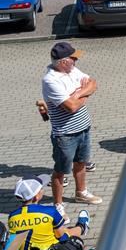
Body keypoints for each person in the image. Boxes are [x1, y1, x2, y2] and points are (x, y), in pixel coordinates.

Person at [41, 42, 102, 216]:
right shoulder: (50, 80)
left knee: (81, 163)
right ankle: (58, 205)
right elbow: (71, 107)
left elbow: (93, 83)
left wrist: (78, 93)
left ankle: (81, 193)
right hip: (65, 134)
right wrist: (84, 92)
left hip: (83, 127)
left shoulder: (72, 70)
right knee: (61, 170)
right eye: (73, 58)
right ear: (62, 62)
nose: (76, 61)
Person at [2, 175, 90, 250]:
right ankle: (82, 227)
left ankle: (81, 227)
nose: (43, 190)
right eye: (41, 189)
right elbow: (61, 236)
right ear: (36, 196)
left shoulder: (12, 217)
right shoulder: (50, 211)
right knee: (72, 239)